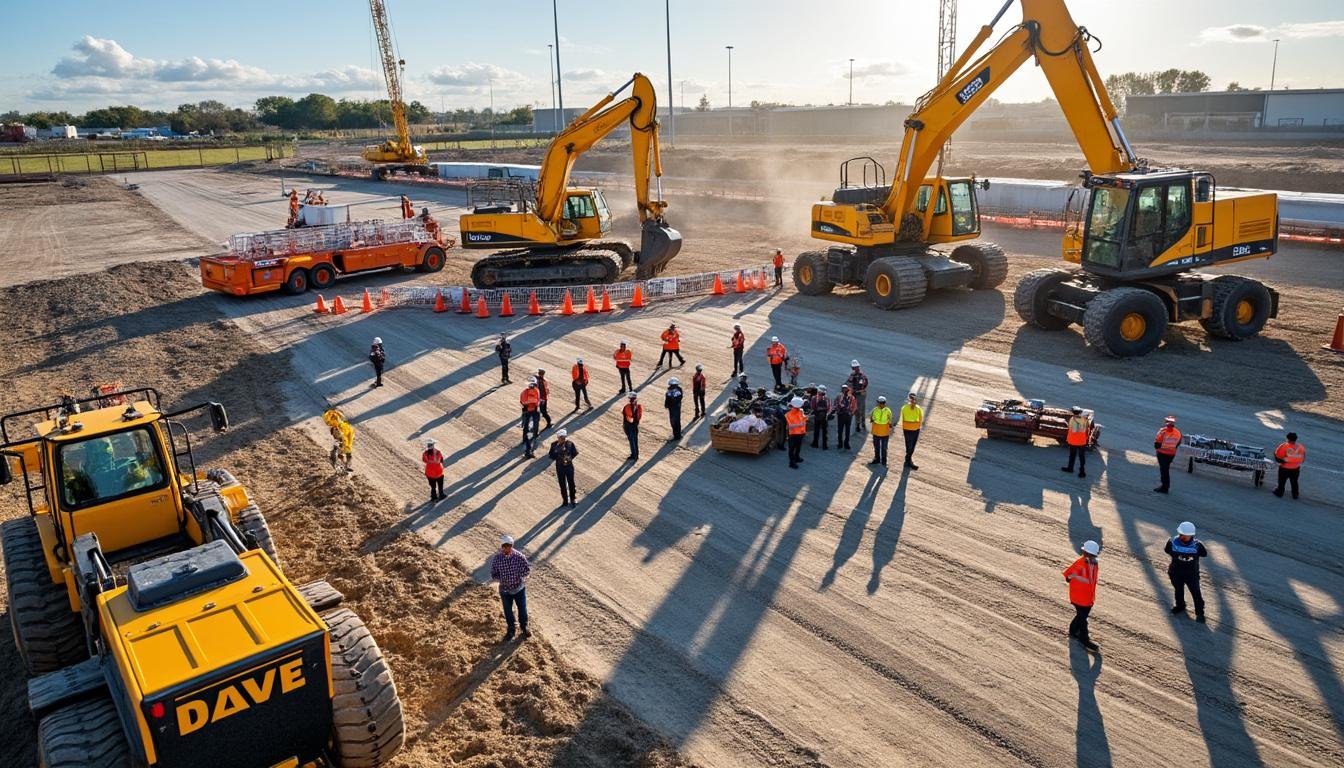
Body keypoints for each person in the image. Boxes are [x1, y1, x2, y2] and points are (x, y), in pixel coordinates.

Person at [1164, 521, 1208, 622]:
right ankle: (1180, 606)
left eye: (1185, 535)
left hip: (1191, 574)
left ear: (1191, 535)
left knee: (1196, 593)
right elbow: (1167, 550)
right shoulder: (1172, 542)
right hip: (1175, 572)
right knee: (1178, 590)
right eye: (1181, 534)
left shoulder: (1197, 545)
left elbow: (1204, 553)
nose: (1182, 536)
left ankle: (1200, 613)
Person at [489, 535, 530, 642]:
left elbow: (526, 571)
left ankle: (524, 627)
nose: (506, 548)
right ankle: (511, 630)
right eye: (504, 546)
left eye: (508, 546)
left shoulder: (519, 557)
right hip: (505, 590)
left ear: (512, 545)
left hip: (519, 589)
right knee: (508, 611)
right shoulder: (497, 559)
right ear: (502, 546)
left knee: (522, 609)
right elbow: (494, 574)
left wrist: (522, 578)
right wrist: (502, 579)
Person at [1064, 540, 1101, 652]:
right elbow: (1068, 576)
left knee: (1081, 617)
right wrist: (1075, 577)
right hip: (1078, 598)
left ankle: (1073, 630)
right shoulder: (1080, 564)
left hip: (1088, 598)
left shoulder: (1094, 563)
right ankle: (1084, 639)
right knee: (1083, 619)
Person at [548, 428, 579, 507]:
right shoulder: (554, 445)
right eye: (561, 438)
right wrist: (556, 452)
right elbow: (551, 456)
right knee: (562, 484)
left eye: (564, 438)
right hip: (560, 467)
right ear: (558, 437)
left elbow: (574, 453)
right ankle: (565, 500)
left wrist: (569, 458)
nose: (563, 439)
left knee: (571, 483)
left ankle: (573, 498)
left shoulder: (570, 443)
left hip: (569, 467)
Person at [1153, 416, 1182, 493]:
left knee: (1164, 470)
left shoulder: (1162, 432)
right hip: (1171, 454)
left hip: (1162, 454)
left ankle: (1164, 487)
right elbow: (1178, 443)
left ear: (1166, 423)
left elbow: (1157, 445)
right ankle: (1165, 486)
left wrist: (1162, 447)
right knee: (1166, 469)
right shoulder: (1178, 432)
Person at [1273, 431, 1304, 499]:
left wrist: (1282, 461)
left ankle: (1279, 492)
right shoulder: (1301, 447)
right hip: (1296, 468)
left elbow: (1277, 456)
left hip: (1285, 468)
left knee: (1282, 482)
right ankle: (1295, 495)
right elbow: (1303, 458)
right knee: (1294, 482)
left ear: (1288, 439)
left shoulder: (1284, 446)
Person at [1061, 406, 1090, 478]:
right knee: (1081, 457)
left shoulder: (1072, 419)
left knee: (1072, 456)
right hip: (1082, 441)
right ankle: (1082, 472)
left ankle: (1070, 468)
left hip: (1073, 441)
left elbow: (1071, 429)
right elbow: (1086, 429)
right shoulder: (1084, 419)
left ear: (1073, 412)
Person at [323, 408, 354, 473]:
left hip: (343, 429)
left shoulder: (331, 415)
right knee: (345, 447)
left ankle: (344, 463)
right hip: (343, 429)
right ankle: (345, 464)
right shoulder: (332, 414)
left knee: (344, 447)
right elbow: (343, 419)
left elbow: (341, 419)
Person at [900, 393, 924, 470]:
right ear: (909, 400)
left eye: (914, 399)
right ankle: (908, 461)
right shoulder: (904, 408)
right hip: (907, 430)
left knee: (912, 447)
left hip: (915, 430)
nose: (913, 401)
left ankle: (908, 460)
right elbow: (902, 418)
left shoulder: (918, 409)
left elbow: (920, 419)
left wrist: (918, 427)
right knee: (909, 447)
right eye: (912, 399)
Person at [519, 379, 541, 459]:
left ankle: (528, 439)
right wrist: (532, 402)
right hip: (532, 411)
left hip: (528, 411)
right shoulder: (535, 391)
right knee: (532, 425)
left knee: (526, 428)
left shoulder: (526, 391)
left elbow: (523, 401)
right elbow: (536, 401)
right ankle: (533, 435)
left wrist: (529, 402)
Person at [869, 395, 892, 466]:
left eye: (881, 403)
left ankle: (884, 461)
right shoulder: (875, 410)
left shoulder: (888, 411)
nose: (880, 404)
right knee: (877, 447)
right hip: (876, 432)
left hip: (884, 433)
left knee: (884, 448)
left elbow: (890, 421)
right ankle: (877, 459)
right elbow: (871, 419)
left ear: (884, 403)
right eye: (879, 402)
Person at [785, 397, 807, 469]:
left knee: (798, 447)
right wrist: (801, 423)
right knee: (791, 448)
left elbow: (803, 418)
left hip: (801, 433)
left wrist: (805, 417)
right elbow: (791, 426)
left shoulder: (801, 411)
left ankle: (797, 457)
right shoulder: (788, 414)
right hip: (793, 434)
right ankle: (792, 462)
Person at [847, 361, 869, 434]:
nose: (853, 368)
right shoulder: (852, 375)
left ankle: (860, 424)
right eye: (852, 367)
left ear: (857, 367)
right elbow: (849, 383)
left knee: (860, 410)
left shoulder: (862, 376)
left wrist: (857, 391)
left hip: (860, 395)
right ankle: (859, 424)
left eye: (854, 367)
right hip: (855, 394)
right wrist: (850, 391)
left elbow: (864, 385)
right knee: (857, 410)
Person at [833, 383, 856, 450]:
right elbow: (835, 405)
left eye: (846, 389)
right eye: (843, 389)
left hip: (848, 416)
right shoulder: (839, 397)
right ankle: (840, 443)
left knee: (847, 431)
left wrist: (851, 413)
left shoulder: (852, 398)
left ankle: (846, 443)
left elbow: (854, 406)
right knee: (840, 430)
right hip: (841, 415)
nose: (844, 390)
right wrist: (838, 411)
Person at [622, 392, 642, 461]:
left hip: (629, 425)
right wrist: (635, 422)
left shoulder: (627, 406)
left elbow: (626, 416)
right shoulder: (639, 406)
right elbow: (639, 416)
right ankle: (636, 454)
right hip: (635, 425)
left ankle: (633, 455)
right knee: (635, 440)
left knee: (631, 440)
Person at [810, 384, 830, 450]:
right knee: (824, 432)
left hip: (817, 417)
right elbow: (829, 407)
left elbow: (812, 407)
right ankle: (825, 445)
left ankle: (815, 444)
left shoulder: (814, 398)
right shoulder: (827, 398)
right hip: (824, 417)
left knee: (816, 431)